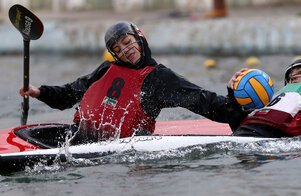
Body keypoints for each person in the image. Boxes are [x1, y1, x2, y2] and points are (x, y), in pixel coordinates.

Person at [20, 21, 244, 143]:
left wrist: (232, 100)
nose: (126, 51)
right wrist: (39, 92)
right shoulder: (106, 69)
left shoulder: (159, 77)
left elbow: (201, 100)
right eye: (118, 49)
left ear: (139, 39)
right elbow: (71, 93)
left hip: (125, 149)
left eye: (127, 42)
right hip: (81, 138)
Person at [227, 58, 301, 138]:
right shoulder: (273, 101)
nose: (293, 76)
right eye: (291, 75)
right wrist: (233, 95)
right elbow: (237, 123)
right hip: (241, 136)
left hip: (268, 144)